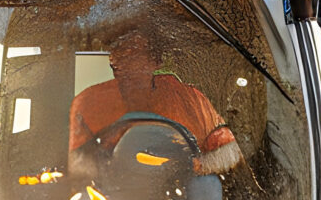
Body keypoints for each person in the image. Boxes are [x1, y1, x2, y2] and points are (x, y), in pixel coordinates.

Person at [65, 24, 242, 182]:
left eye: (133, 51)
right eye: (117, 49)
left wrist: (194, 167)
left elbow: (230, 152)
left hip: (181, 198)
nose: (120, 58)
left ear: (156, 60)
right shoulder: (88, 103)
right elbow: (78, 171)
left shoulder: (191, 101)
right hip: (115, 199)